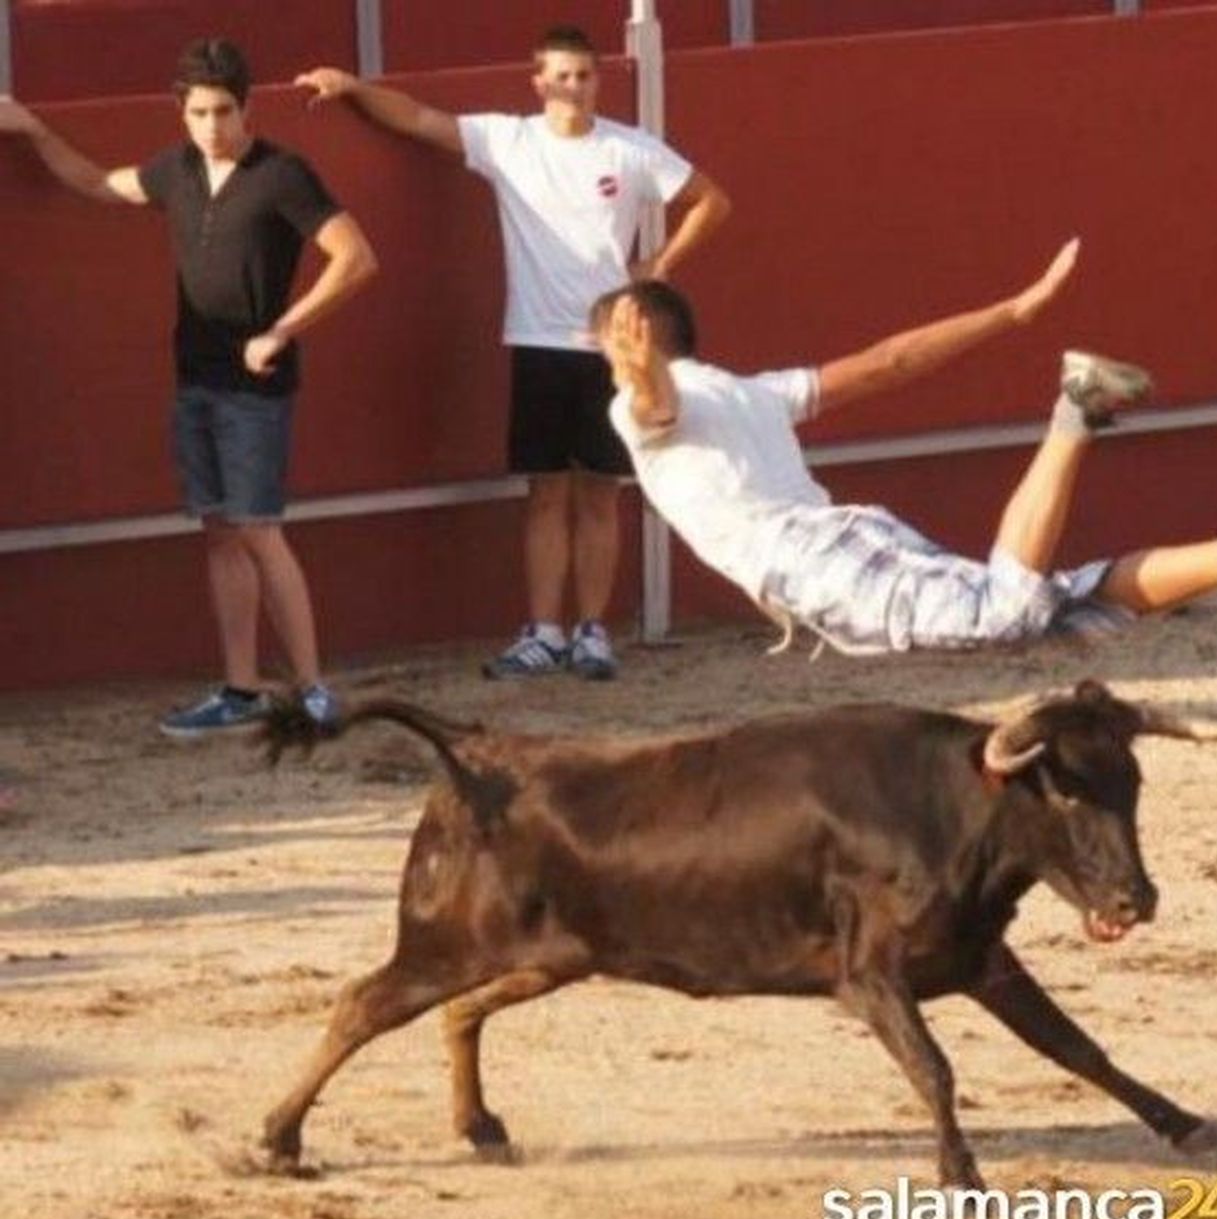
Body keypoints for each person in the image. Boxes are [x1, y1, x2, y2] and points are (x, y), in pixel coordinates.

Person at [590, 237, 1217, 657]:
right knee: (1051, 611)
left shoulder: (638, 401)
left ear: (634, 339)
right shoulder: (752, 391)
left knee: (1005, 612)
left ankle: (1074, 410)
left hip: (808, 558)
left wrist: (639, 371)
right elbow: (890, 362)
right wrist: (1011, 312)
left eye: (609, 345)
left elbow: (656, 404)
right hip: (851, 533)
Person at [296, 25, 730, 682]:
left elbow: (711, 200)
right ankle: (544, 632)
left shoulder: (629, 149)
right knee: (546, 492)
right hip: (536, 339)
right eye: (561, 76)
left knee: (600, 493)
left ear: (597, 81)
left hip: (611, 347)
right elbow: (419, 120)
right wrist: (353, 87)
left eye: (583, 75)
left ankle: (591, 632)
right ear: (539, 82)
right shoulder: (510, 140)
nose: (573, 87)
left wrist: (659, 264)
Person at [0, 40, 378, 735]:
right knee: (222, 533)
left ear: (247, 107)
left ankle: (313, 689)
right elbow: (97, 184)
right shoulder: (176, 170)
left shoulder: (282, 174)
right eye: (199, 112)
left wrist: (282, 329)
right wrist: (31, 130)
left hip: (254, 386)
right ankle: (241, 687)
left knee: (259, 532)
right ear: (181, 112)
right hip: (197, 377)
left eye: (223, 111)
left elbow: (356, 258)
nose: (212, 126)